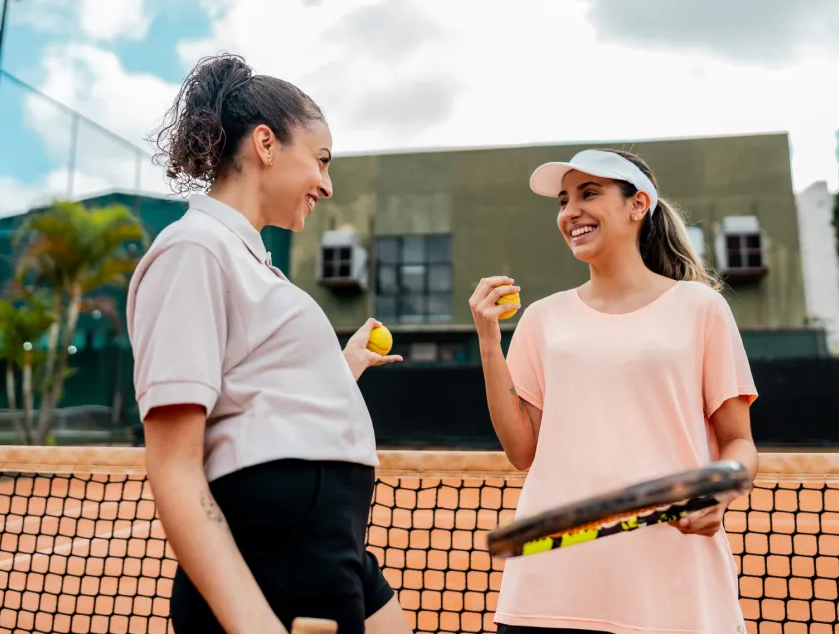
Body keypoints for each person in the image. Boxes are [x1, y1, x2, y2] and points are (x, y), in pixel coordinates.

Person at [126, 53, 413, 634]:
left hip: (329, 538)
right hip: (277, 555)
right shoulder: (194, 250)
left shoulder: (252, 264)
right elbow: (174, 468)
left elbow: (261, 400)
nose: (328, 186)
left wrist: (342, 366)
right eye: (322, 161)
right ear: (265, 144)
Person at [469, 149, 759, 634]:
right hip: (551, 586)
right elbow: (522, 451)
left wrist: (724, 489)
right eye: (563, 201)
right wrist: (487, 340)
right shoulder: (543, 317)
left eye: (589, 194)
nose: (570, 212)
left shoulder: (701, 308)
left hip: (671, 586)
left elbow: (739, 443)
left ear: (637, 204)